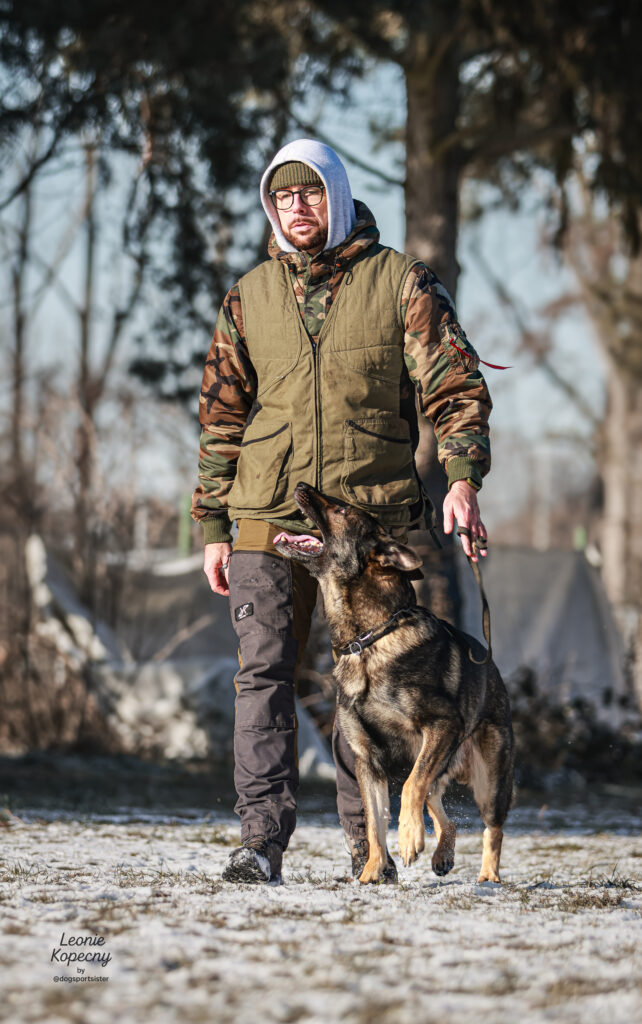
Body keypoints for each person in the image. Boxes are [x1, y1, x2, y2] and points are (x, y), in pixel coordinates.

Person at [191, 139, 491, 884]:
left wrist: (461, 477)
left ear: (338, 193)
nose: (298, 207)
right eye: (284, 196)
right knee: (263, 676)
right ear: (271, 206)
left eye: (311, 193)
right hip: (267, 517)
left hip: (370, 526)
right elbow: (221, 418)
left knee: (377, 689)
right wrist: (212, 525)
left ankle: (372, 849)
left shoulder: (400, 280)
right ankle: (261, 843)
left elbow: (454, 384)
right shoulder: (248, 296)